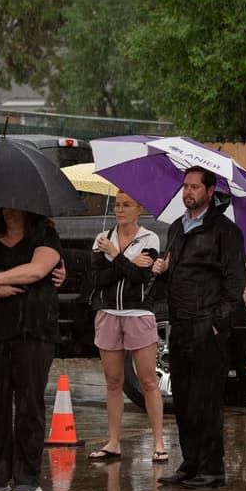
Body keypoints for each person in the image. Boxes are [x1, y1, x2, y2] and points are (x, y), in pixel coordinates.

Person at [152, 167, 246, 489]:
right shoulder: (177, 228)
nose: (188, 192)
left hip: (208, 326)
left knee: (207, 401)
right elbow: (176, 273)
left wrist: (218, 324)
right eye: (185, 186)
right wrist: (162, 269)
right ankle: (190, 463)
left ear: (209, 191)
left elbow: (235, 287)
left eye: (194, 187)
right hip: (180, 325)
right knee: (184, 400)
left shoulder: (225, 231)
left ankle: (212, 468)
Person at [0, 207, 62, 491]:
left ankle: (27, 476)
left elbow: (37, 270)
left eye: (14, 204)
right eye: (3, 204)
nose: (8, 210)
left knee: (29, 403)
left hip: (33, 329)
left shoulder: (45, 233)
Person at [86, 191, 167, 464]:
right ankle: (113, 442)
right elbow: (98, 280)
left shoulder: (150, 239)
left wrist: (117, 257)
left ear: (139, 209)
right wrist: (126, 262)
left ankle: (158, 442)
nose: (120, 210)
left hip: (138, 314)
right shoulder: (102, 239)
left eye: (127, 205)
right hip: (108, 314)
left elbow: (141, 277)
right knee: (113, 382)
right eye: (118, 205)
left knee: (147, 381)